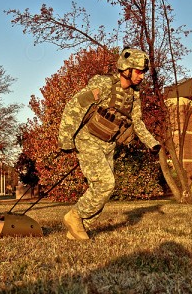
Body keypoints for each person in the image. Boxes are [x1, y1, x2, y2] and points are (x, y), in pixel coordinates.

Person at [58, 47, 161, 240]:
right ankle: (75, 216)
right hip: (87, 139)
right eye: (138, 71)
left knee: (105, 188)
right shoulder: (104, 84)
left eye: (143, 72)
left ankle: (79, 228)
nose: (141, 76)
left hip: (108, 144)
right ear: (126, 69)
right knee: (106, 183)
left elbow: (136, 121)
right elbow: (75, 105)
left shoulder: (134, 95)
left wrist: (151, 143)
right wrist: (65, 139)